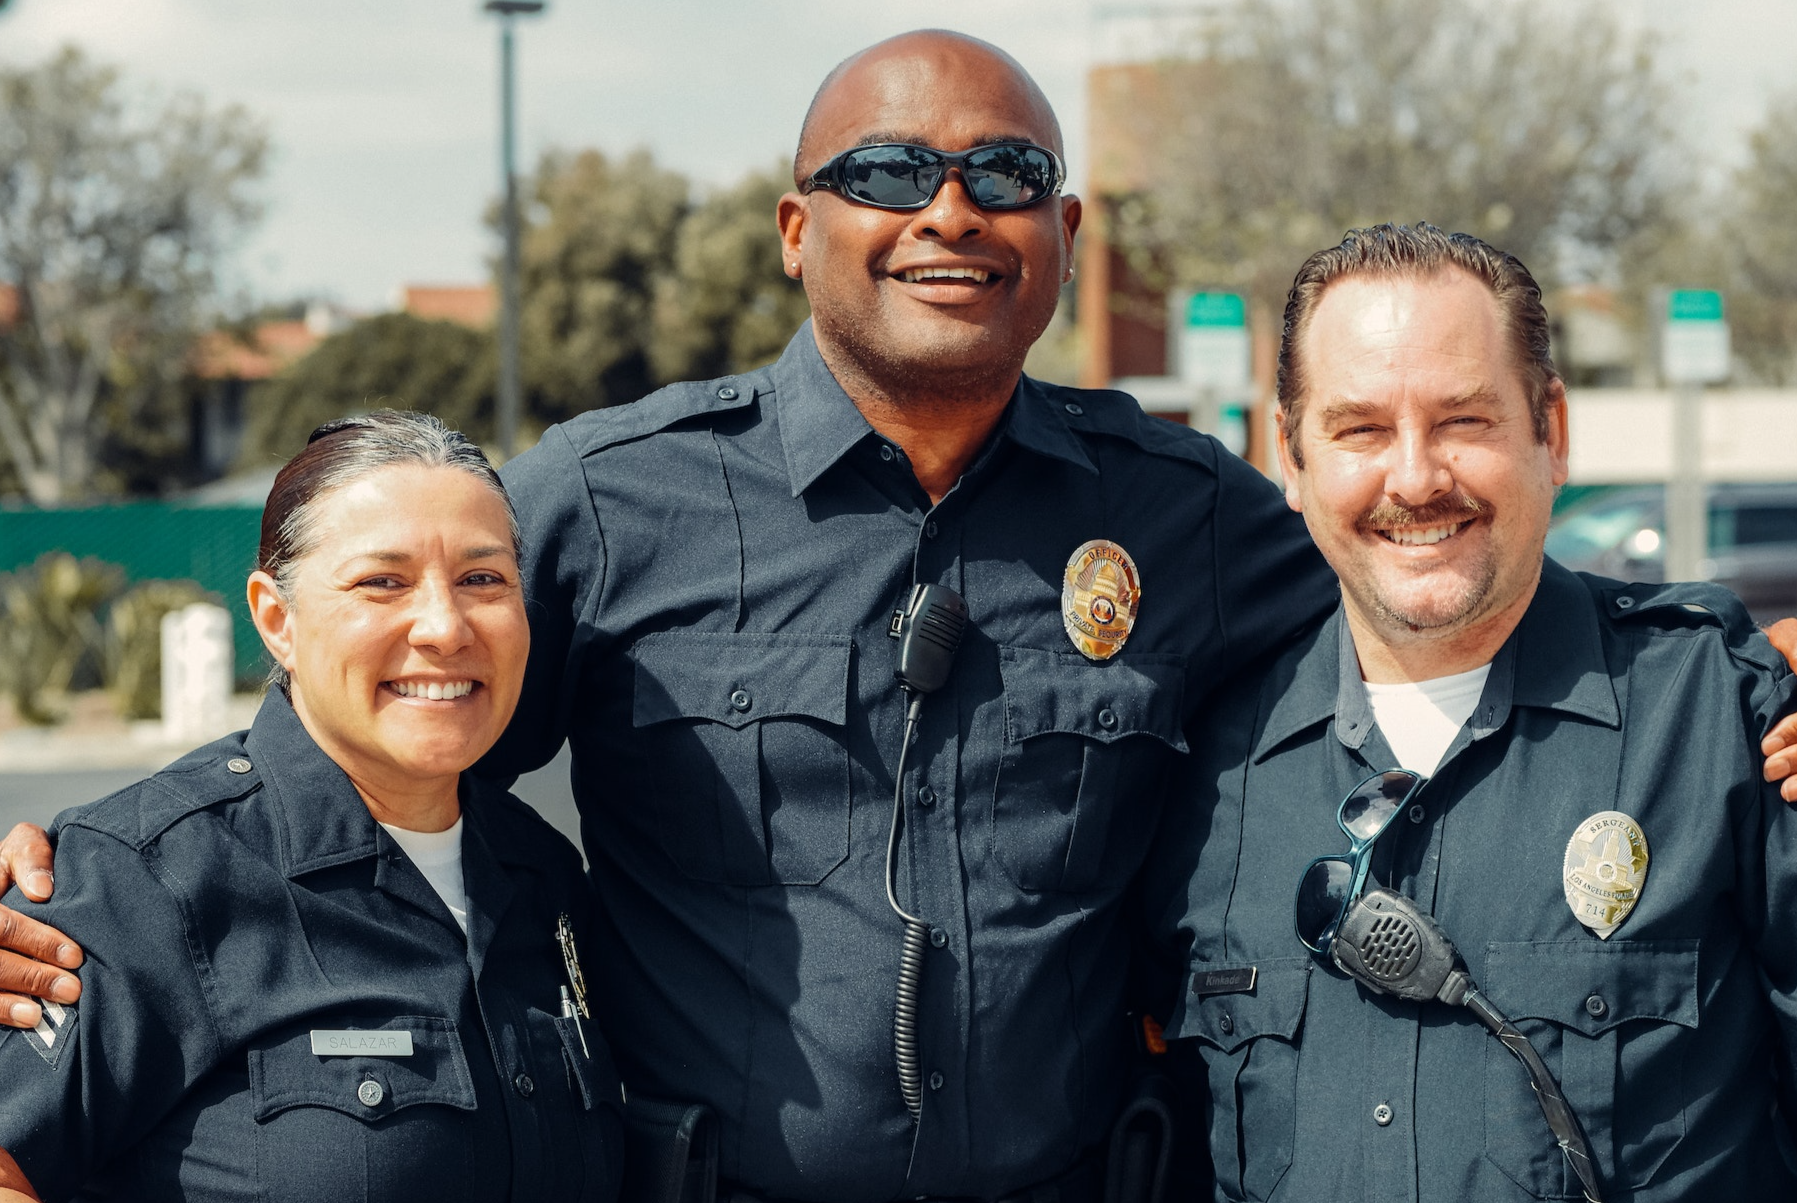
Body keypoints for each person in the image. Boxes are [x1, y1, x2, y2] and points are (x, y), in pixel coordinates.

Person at [5, 31, 1797, 1203]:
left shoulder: (1182, 511)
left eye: (1003, 176)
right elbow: (379, 701)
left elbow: (1441, 576)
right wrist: (89, 884)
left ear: (1065, 233)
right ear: (797, 228)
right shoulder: (611, 496)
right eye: (886, 174)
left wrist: (1753, 667)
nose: (948, 209)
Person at [1150, 223, 1797, 1201]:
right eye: (1361, 429)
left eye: (1463, 420)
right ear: (1288, 454)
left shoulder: (1719, 721)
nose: (1414, 477)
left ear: (1553, 433)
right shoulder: (1198, 770)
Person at [0, 412, 622, 1203]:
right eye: (382, 581)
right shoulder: (146, 876)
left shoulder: (545, 877)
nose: (444, 625)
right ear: (276, 619)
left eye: (482, 578)